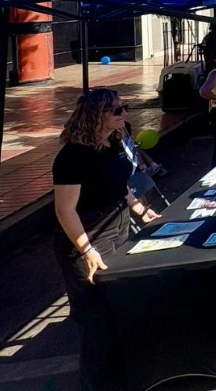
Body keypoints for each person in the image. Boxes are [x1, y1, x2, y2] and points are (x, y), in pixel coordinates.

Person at [52, 89, 159, 391]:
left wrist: (141, 211)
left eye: (124, 107)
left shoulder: (112, 144)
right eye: (116, 110)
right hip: (87, 237)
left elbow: (121, 187)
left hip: (118, 229)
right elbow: (65, 210)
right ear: (95, 115)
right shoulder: (72, 156)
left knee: (119, 309)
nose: (124, 113)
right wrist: (87, 250)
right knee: (95, 319)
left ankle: (123, 378)